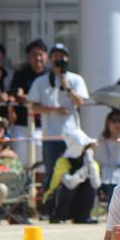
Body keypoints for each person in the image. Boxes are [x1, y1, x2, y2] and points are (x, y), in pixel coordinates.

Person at [26, 43, 88, 197]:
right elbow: (33, 106)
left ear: (67, 59)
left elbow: (80, 102)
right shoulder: (40, 81)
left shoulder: (76, 79)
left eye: (62, 56)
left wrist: (66, 86)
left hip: (72, 136)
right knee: (51, 172)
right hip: (50, 135)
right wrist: (54, 109)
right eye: (56, 56)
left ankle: (69, 209)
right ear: (50, 59)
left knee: (74, 171)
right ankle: (49, 207)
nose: (59, 59)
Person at [46, 129, 101, 224]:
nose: (88, 150)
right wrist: (85, 169)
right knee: (68, 184)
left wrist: (90, 163)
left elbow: (96, 185)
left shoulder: (91, 162)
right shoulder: (62, 161)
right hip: (54, 204)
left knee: (90, 183)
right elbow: (69, 184)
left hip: (75, 206)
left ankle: (82, 217)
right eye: (86, 147)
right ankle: (58, 217)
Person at [9, 39, 49, 167]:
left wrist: (28, 98)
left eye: (40, 54)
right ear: (28, 57)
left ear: (46, 56)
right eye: (33, 55)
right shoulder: (20, 74)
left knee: (41, 159)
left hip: (44, 124)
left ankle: (40, 187)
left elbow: (49, 99)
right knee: (20, 157)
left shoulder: (51, 75)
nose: (37, 58)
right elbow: (17, 95)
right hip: (22, 124)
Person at [97, 109, 120, 202]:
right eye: (114, 120)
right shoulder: (101, 140)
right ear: (108, 123)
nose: (117, 124)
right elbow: (103, 161)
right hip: (103, 176)